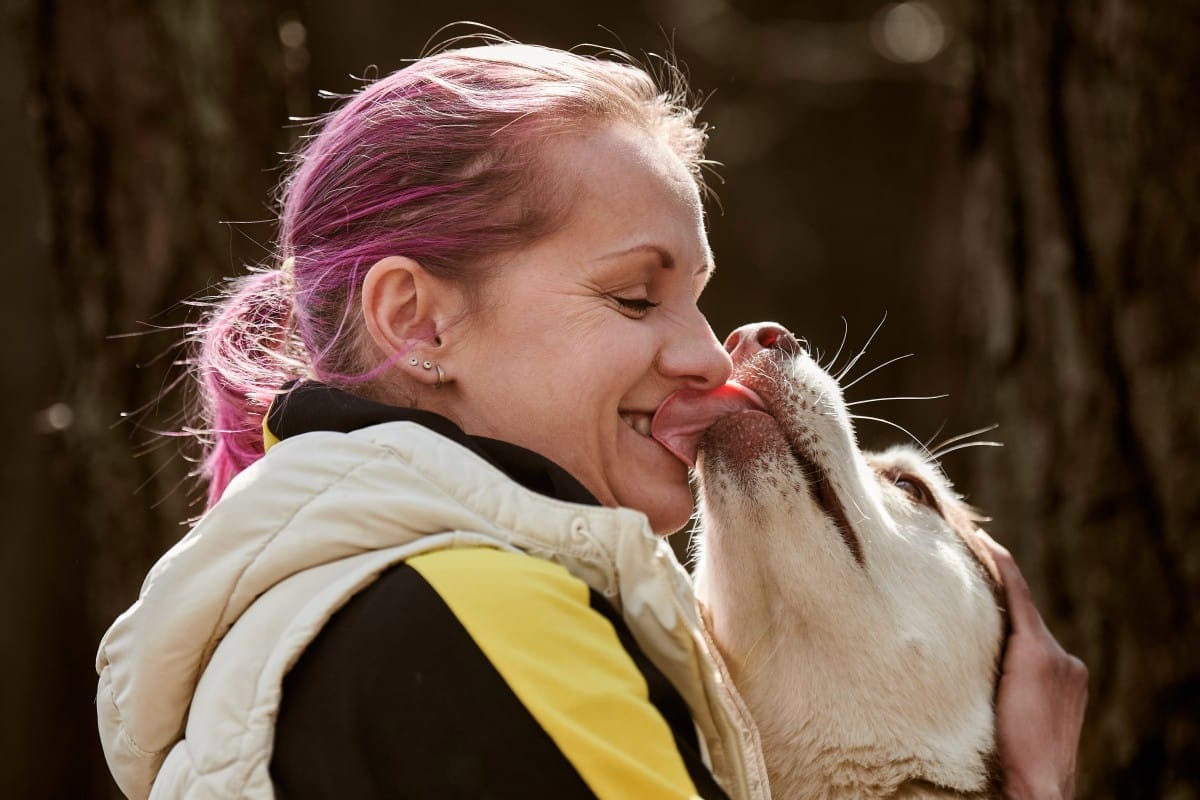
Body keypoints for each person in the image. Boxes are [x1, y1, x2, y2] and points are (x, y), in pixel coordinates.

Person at [95, 40, 1087, 799]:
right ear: (418, 321)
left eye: (697, 294)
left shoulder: (355, 604)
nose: (712, 352)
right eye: (632, 297)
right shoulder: (487, 624)